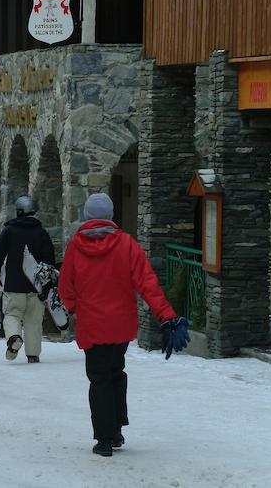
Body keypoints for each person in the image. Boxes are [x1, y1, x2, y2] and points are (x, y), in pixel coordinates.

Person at [60, 193, 189, 457]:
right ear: (110, 216)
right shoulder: (127, 244)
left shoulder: (75, 247)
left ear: (86, 217)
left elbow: (65, 287)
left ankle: (104, 438)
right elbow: (147, 284)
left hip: (92, 325)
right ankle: (116, 429)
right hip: (120, 325)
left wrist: (76, 309)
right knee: (116, 372)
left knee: (99, 380)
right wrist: (166, 315)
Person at [0, 194, 56, 364]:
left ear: (19, 211)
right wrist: (47, 286)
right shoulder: (42, 233)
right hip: (36, 286)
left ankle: (13, 337)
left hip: (13, 284)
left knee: (11, 314)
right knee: (34, 320)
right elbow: (49, 261)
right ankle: (33, 354)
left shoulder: (9, 231)